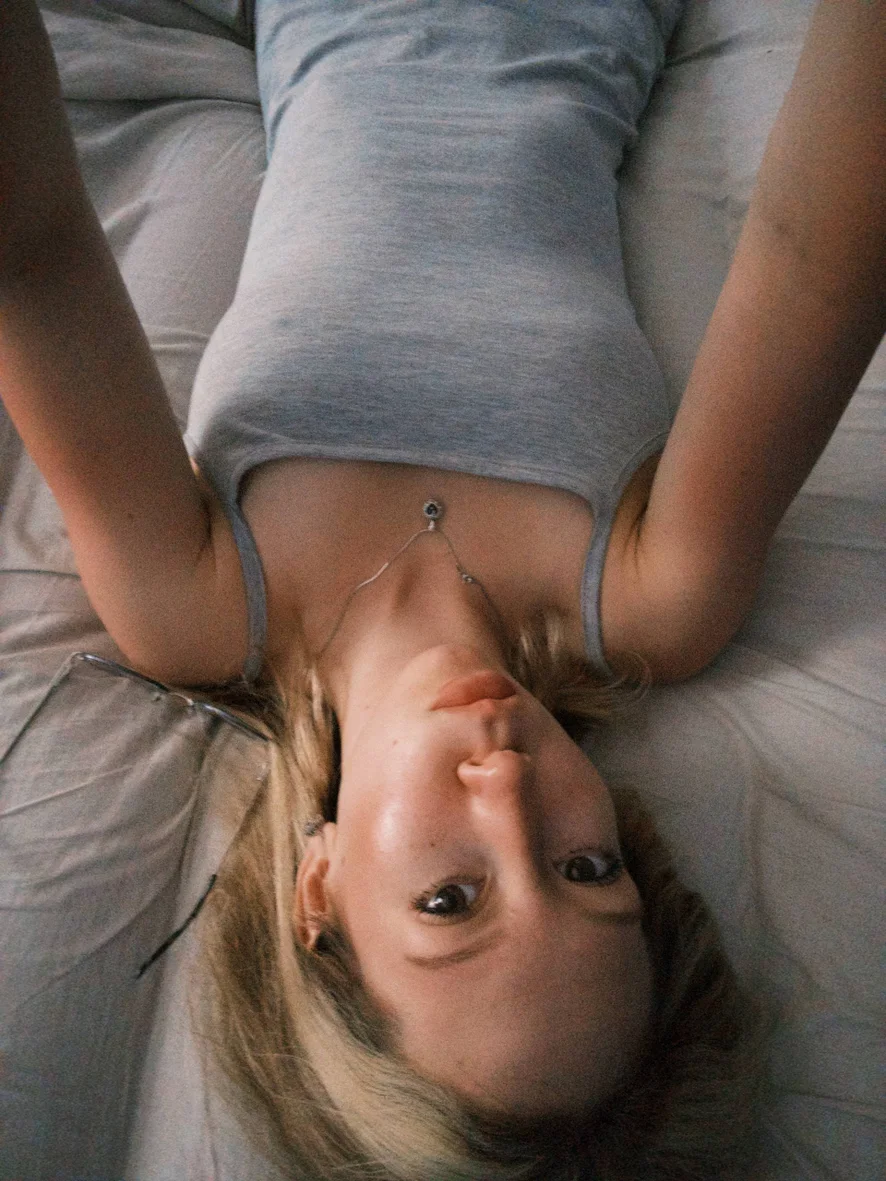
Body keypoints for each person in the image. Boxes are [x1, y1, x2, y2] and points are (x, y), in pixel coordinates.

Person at [1, 0, 883, 1177]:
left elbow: (35, 256)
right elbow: (813, 261)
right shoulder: (651, 598)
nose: (509, 787)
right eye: (585, 868)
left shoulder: (196, 606)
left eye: (450, 899)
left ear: (318, 890)